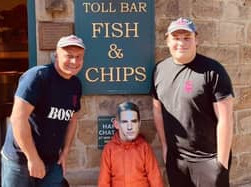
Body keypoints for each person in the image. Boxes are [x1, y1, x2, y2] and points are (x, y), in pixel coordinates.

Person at [151, 17, 234, 187]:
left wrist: (221, 164)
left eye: (187, 37)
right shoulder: (159, 70)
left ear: (196, 39)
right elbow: (157, 110)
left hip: (208, 160)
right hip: (177, 160)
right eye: (176, 38)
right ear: (167, 41)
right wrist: (166, 148)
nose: (181, 43)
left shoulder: (213, 71)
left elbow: (226, 119)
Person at [1, 34, 86, 187]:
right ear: (56, 55)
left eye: (78, 57)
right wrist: (32, 158)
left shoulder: (75, 85)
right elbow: (17, 119)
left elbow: (72, 119)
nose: (74, 61)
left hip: (52, 161)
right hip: (21, 160)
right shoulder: (38, 77)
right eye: (69, 56)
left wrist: (65, 152)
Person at [98, 101, 164, 187]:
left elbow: (155, 179)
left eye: (134, 121)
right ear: (117, 124)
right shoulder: (109, 150)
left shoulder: (144, 148)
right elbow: (103, 182)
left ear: (139, 124)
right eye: (125, 122)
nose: (130, 127)